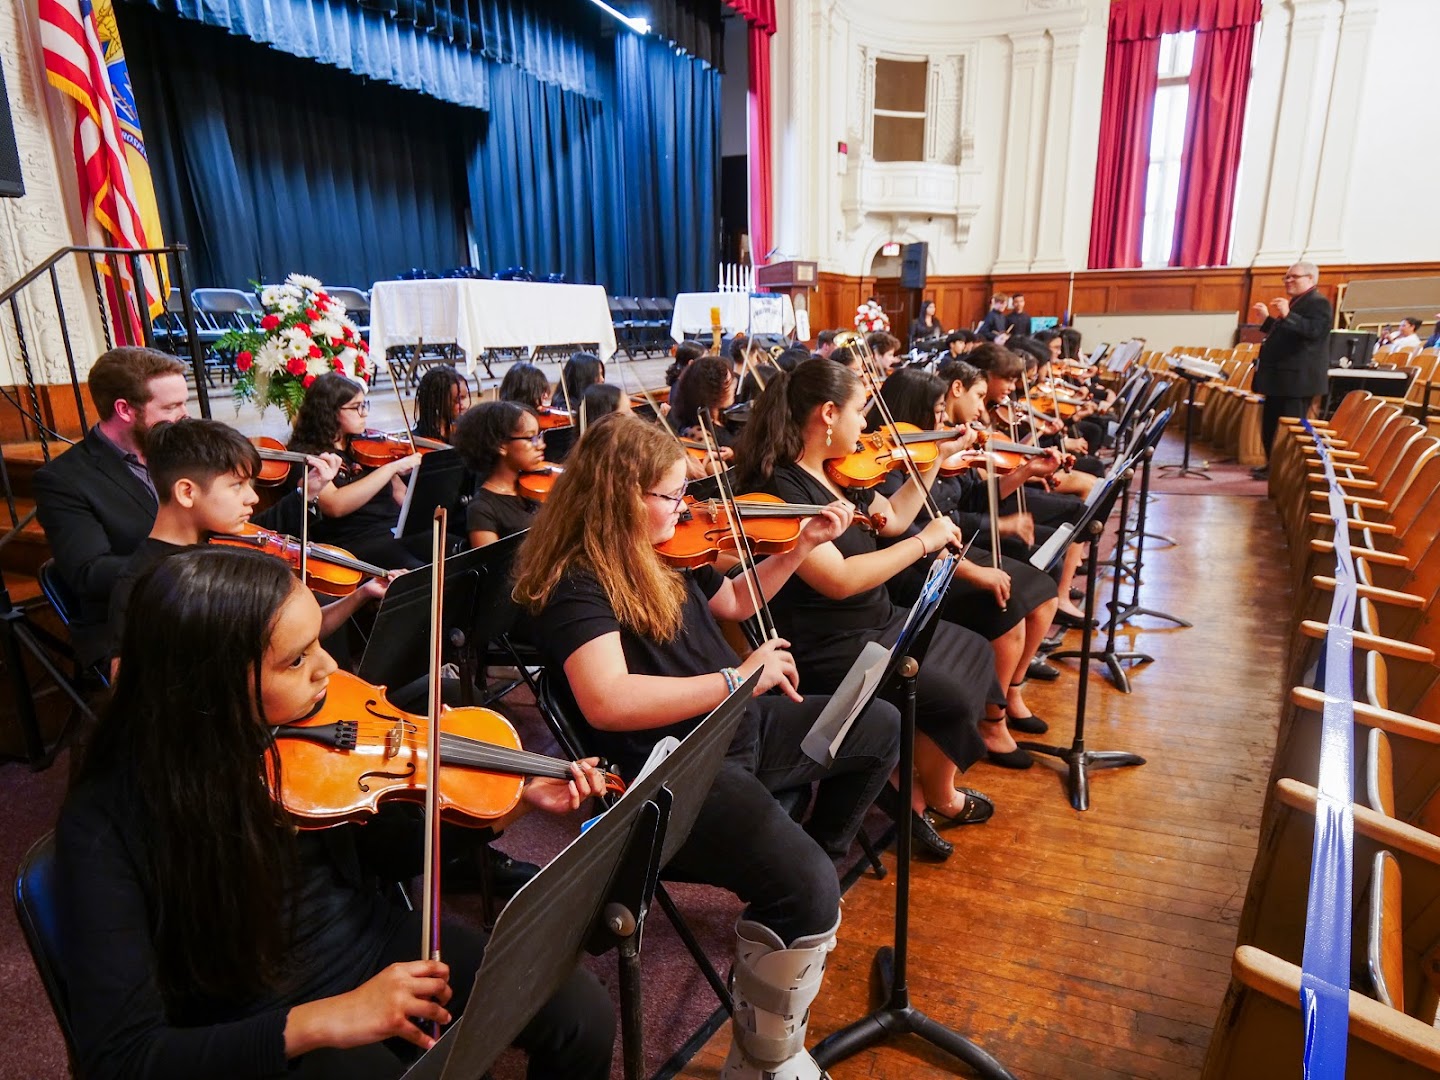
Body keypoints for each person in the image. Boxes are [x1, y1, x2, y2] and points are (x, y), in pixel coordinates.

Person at [56, 547, 614, 1080]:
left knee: (581, 1014)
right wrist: (328, 1018)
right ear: (210, 684)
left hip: (372, 938)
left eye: (317, 642)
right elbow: (121, 1059)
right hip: (257, 1018)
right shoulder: (107, 822)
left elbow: (376, 861)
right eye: (296, 659)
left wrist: (502, 806)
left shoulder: (296, 733)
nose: (328, 667)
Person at [513, 414, 900, 1078]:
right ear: (619, 494)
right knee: (806, 890)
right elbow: (607, 697)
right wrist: (734, 679)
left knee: (879, 724)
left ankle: (815, 869)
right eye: (670, 494)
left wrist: (801, 546)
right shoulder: (578, 582)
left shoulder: (666, 546)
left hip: (732, 736)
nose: (684, 507)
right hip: (674, 777)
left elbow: (737, 604)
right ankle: (762, 1058)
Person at [733, 358, 1007, 857]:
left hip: (878, 623)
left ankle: (917, 794)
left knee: (973, 651)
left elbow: (895, 518)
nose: (868, 424)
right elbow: (840, 581)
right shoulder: (781, 491)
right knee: (946, 690)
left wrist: (933, 458)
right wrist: (926, 543)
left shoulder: (841, 472)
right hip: (831, 647)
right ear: (829, 414)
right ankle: (917, 799)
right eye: (861, 411)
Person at [871, 368, 1060, 747]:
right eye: (937, 411)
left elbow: (971, 499)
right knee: (1008, 613)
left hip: (948, 549)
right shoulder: (887, 462)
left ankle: (1012, 690)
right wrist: (973, 572)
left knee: (1044, 592)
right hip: (913, 568)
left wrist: (1024, 472)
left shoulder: (937, 450)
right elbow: (905, 534)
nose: (943, 420)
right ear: (913, 411)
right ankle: (993, 719)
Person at [105, 419, 364, 665]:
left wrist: (362, 594)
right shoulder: (142, 583)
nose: (252, 497)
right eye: (237, 485)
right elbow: (126, 682)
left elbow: (298, 634)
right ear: (187, 492)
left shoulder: (222, 542)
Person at [32, 347, 189, 668]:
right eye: (172, 406)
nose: (185, 415)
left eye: (184, 402)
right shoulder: (63, 480)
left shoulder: (178, 450)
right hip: (128, 627)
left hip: (198, 604)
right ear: (125, 410)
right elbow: (89, 574)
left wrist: (302, 494)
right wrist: (183, 562)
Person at [288, 374, 424, 569]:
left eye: (364, 405)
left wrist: (421, 520)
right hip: (356, 540)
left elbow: (398, 492)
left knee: (451, 550)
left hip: (393, 529)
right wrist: (390, 468)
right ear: (329, 411)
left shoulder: (367, 444)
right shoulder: (309, 457)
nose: (364, 413)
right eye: (356, 407)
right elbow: (335, 505)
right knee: (418, 570)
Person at [1248, 261, 1333, 479]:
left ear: (1311, 279)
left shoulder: (1318, 303)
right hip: (1280, 379)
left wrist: (1287, 315)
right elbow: (1286, 334)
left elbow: (1314, 332)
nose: (1288, 281)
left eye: (1294, 277)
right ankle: (1272, 466)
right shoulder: (1297, 302)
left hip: (1296, 381)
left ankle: (1285, 472)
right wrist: (1267, 320)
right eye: (1286, 277)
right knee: (1270, 425)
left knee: (1289, 429)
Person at [449, 401, 543, 548]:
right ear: (501, 445)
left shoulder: (537, 487)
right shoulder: (482, 509)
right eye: (531, 438)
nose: (541, 445)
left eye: (539, 436)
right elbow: (493, 567)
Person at [669, 354, 737, 446]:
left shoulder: (720, 415)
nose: (733, 386)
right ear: (712, 394)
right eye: (728, 383)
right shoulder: (702, 433)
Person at [410, 367, 470, 443]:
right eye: (457, 400)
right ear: (436, 402)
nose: (464, 405)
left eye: (464, 397)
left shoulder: (466, 433)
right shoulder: (417, 441)